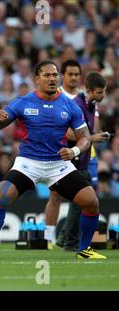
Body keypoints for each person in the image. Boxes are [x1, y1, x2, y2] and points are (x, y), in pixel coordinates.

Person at [0, 60, 106, 260]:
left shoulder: (70, 105)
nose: (52, 79)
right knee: (0, 198)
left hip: (58, 165)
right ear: (37, 79)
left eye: (55, 75)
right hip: (28, 163)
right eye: (47, 75)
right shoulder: (23, 102)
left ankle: (83, 250)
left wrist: (74, 151)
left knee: (92, 202)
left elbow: (85, 138)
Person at [54, 72, 111, 251]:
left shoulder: (91, 105)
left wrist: (96, 136)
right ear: (89, 90)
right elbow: (68, 132)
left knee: (79, 204)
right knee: (80, 203)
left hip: (84, 160)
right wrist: (93, 138)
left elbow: (88, 133)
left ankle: (66, 239)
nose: (103, 96)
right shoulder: (77, 105)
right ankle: (69, 241)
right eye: (99, 92)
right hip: (74, 160)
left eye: (104, 92)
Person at [44, 59, 83, 248]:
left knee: (82, 197)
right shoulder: (56, 96)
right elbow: (61, 129)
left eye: (77, 74)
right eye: (70, 74)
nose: (74, 77)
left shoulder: (84, 98)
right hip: (58, 153)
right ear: (63, 76)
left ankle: (69, 237)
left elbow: (92, 128)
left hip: (83, 154)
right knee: (55, 196)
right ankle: (49, 238)